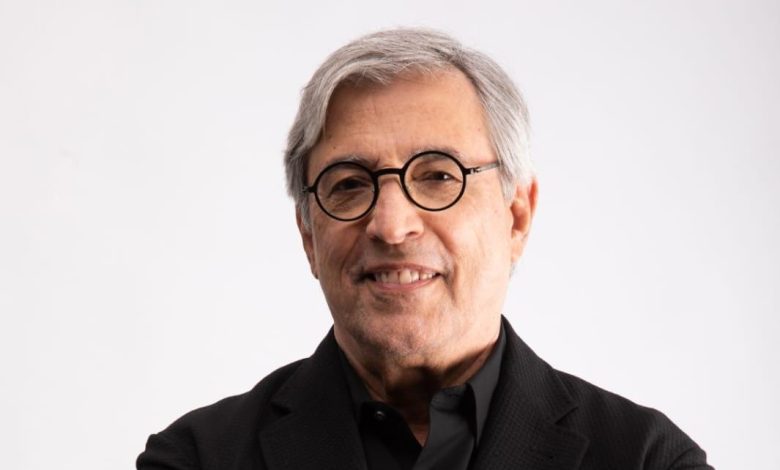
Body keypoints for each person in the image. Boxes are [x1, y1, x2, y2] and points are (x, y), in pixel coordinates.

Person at [137, 28, 712, 469]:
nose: (391, 226)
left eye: (438, 176)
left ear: (516, 215)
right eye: (349, 184)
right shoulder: (196, 458)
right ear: (308, 235)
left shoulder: (647, 459)